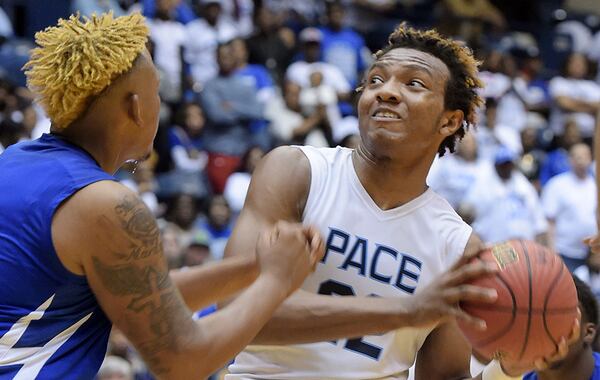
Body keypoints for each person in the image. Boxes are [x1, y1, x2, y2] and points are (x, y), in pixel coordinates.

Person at [223, 24, 576, 379]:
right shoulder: (297, 171)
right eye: (375, 80)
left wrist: (508, 370)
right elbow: (234, 313)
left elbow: (444, 376)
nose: (386, 92)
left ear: (450, 121)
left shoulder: (458, 244)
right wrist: (406, 310)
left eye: (414, 84)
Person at [0, 13, 323, 379]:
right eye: (157, 90)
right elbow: (182, 361)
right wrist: (277, 281)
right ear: (136, 106)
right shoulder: (104, 204)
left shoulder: (14, 160)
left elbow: (146, 297)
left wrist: (255, 267)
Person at [522, 276, 600, 380]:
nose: (543, 326)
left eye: (558, 315)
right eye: (534, 316)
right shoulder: (508, 374)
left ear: (588, 332)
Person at [542, 143, 596, 272]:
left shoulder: (595, 185)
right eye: (577, 157)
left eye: (584, 156)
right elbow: (549, 220)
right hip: (564, 252)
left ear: (590, 159)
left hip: (590, 254)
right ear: (570, 160)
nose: (581, 161)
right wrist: (552, 251)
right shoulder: (557, 185)